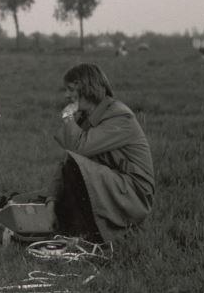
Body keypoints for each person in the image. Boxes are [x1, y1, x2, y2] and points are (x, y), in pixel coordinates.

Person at [49, 63, 154, 243]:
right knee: (67, 176)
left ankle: (85, 236)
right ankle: (75, 231)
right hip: (113, 184)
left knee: (77, 166)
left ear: (87, 88)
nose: (66, 96)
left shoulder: (120, 116)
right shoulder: (88, 117)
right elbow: (66, 161)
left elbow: (79, 149)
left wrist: (67, 117)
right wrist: (51, 199)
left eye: (71, 89)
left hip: (134, 194)